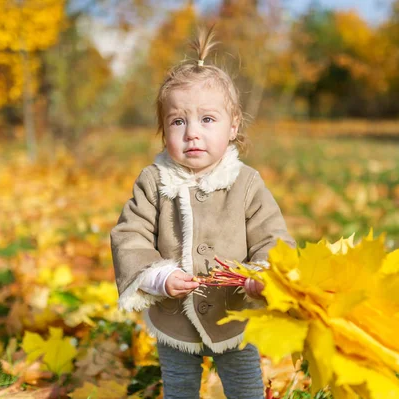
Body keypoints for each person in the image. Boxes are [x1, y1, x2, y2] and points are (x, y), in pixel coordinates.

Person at [110, 26, 295, 399]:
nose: (192, 133)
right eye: (179, 121)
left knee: (245, 386)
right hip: (174, 315)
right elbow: (130, 235)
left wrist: (264, 277)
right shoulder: (154, 180)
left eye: (207, 120)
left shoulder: (245, 182)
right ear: (164, 130)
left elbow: (273, 236)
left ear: (233, 126)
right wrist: (159, 276)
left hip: (233, 313)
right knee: (179, 387)